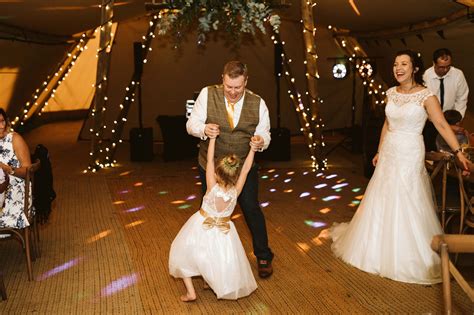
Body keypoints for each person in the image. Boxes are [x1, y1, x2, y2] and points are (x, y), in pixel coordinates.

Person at [330, 50, 471, 284]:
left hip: (410, 151)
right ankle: (376, 249)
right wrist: (379, 149)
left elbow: (441, 125)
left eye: (404, 64)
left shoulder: (426, 96)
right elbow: (387, 123)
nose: (398, 68)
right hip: (390, 151)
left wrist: (458, 152)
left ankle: (407, 256)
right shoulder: (391, 93)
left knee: (407, 197)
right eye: (396, 64)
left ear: (415, 68)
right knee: (382, 196)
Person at [186, 61, 274, 278]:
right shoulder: (207, 95)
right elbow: (191, 125)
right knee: (208, 212)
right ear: (222, 79)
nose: (233, 92)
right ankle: (203, 261)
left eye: (238, 87)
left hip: (244, 165)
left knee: (251, 208)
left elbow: (266, 134)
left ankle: (263, 255)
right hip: (212, 165)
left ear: (246, 82)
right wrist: (203, 128)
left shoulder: (258, 103)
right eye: (228, 87)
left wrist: (260, 140)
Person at [169, 136, 258, 301]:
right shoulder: (236, 191)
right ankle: (209, 282)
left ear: (217, 172)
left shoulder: (211, 187)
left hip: (202, 225)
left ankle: (191, 292)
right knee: (216, 258)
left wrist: (212, 139)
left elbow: (209, 160)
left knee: (184, 253)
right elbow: (246, 169)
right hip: (224, 231)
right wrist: (252, 149)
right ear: (234, 176)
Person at [422, 48, 469, 151]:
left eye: (448, 66)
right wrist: (437, 120)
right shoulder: (425, 76)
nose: (445, 70)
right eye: (441, 67)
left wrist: (457, 120)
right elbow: (423, 104)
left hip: (451, 120)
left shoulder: (458, 74)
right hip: (430, 122)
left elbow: (462, 98)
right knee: (431, 151)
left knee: (452, 151)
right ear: (434, 63)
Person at [0, 108, 33, 230]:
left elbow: (27, 170)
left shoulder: (14, 139)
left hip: (16, 192)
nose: (1, 126)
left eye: (3, 121)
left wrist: (8, 169)